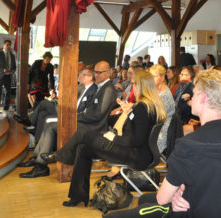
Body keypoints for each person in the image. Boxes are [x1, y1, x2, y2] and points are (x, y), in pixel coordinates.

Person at [107, 69, 221, 218]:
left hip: (189, 211)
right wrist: (180, 190)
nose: (191, 97)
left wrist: (177, 195)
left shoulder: (189, 144)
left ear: (203, 97)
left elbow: (162, 199)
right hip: (217, 209)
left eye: (195, 93)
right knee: (144, 199)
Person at [58, 71, 167, 207]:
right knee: (83, 148)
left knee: (83, 134)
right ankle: (78, 196)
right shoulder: (149, 105)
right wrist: (128, 113)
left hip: (136, 155)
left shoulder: (142, 107)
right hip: (138, 152)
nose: (132, 87)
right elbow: (137, 129)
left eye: (134, 84)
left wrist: (114, 138)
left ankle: (60, 156)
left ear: (142, 86)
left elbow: (137, 140)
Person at [17, 66, 98, 178]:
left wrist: (69, 113)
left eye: (82, 74)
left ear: (89, 77)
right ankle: (37, 158)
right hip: (68, 111)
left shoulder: (94, 90)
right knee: (43, 114)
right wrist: (57, 100)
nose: (79, 76)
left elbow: (87, 112)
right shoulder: (82, 87)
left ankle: (41, 165)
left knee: (46, 113)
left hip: (75, 118)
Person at [40, 61, 118, 166]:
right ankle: (40, 157)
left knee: (53, 125)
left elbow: (98, 115)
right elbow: (91, 110)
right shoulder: (101, 87)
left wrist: (76, 117)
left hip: (95, 126)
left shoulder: (108, 89)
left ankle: (46, 162)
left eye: (100, 73)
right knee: (50, 123)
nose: (96, 75)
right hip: (89, 121)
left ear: (108, 73)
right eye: (95, 72)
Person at [149, 64, 175, 153]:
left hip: (159, 134)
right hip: (154, 128)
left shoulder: (164, 96)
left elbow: (154, 118)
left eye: (154, 76)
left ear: (163, 77)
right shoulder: (155, 90)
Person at [0, 39, 16, 111]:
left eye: (9, 45)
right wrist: (2, 70)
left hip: (9, 76)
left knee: (8, 93)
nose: (8, 46)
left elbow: (14, 66)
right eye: (7, 45)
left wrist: (13, 70)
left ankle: (6, 109)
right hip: (1, 76)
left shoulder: (12, 55)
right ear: (3, 45)